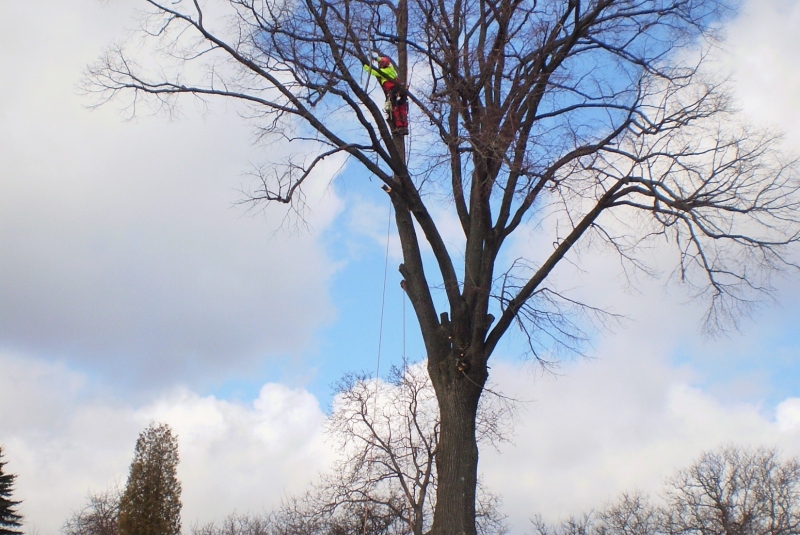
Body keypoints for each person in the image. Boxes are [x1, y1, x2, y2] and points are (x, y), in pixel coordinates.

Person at [363, 55, 408, 135]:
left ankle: (400, 127)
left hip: (393, 91)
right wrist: (376, 58)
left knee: (395, 109)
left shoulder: (381, 72)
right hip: (401, 91)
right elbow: (385, 60)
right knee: (402, 109)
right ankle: (405, 127)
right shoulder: (391, 68)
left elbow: (371, 70)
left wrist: (364, 64)